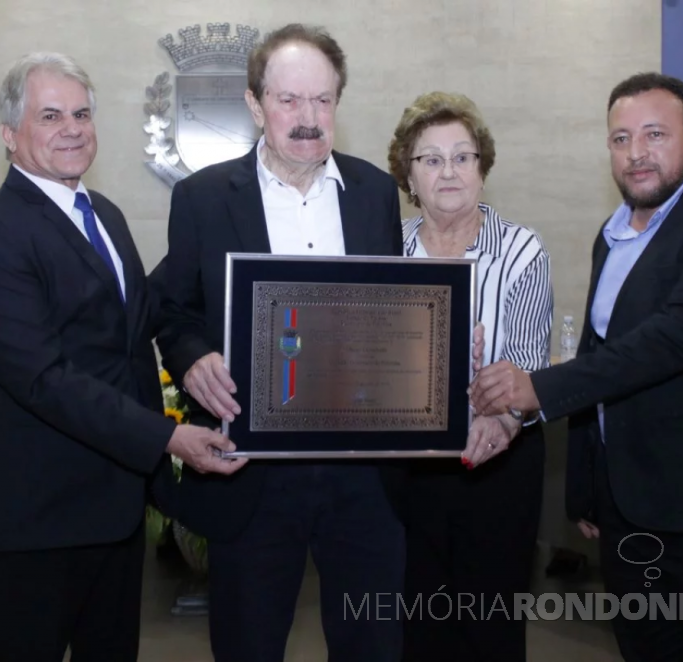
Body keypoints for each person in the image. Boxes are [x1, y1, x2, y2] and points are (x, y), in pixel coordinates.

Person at [469, 72, 683, 661]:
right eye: (620, 139)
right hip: (630, 507)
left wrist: (535, 387)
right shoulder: (614, 232)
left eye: (654, 134)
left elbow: (675, 338)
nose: (636, 153)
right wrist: (587, 491)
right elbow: (602, 353)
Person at [0, 52, 244, 662]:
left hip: (115, 505)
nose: (72, 128)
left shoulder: (103, 215)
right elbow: (43, 378)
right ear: (10, 134)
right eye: (50, 115)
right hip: (40, 513)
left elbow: (134, 338)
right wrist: (166, 438)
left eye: (82, 113)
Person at [150, 23, 407, 662]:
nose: (307, 118)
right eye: (289, 100)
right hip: (251, 470)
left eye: (322, 100)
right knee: (248, 642)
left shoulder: (375, 193)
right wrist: (191, 358)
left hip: (362, 473)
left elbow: (396, 308)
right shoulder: (203, 199)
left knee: (372, 640)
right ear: (255, 103)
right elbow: (173, 310)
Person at [386, 91, 552, 661]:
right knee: (416, 625)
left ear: (483, 167)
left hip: (497, 465)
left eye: (462, 156)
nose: (448, 170)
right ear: (408, 175)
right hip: (408, 467)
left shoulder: (522, 251)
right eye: (430, 159)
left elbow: (530, 361)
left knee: (491, 628)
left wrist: (503, 417)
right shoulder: (386, 253)